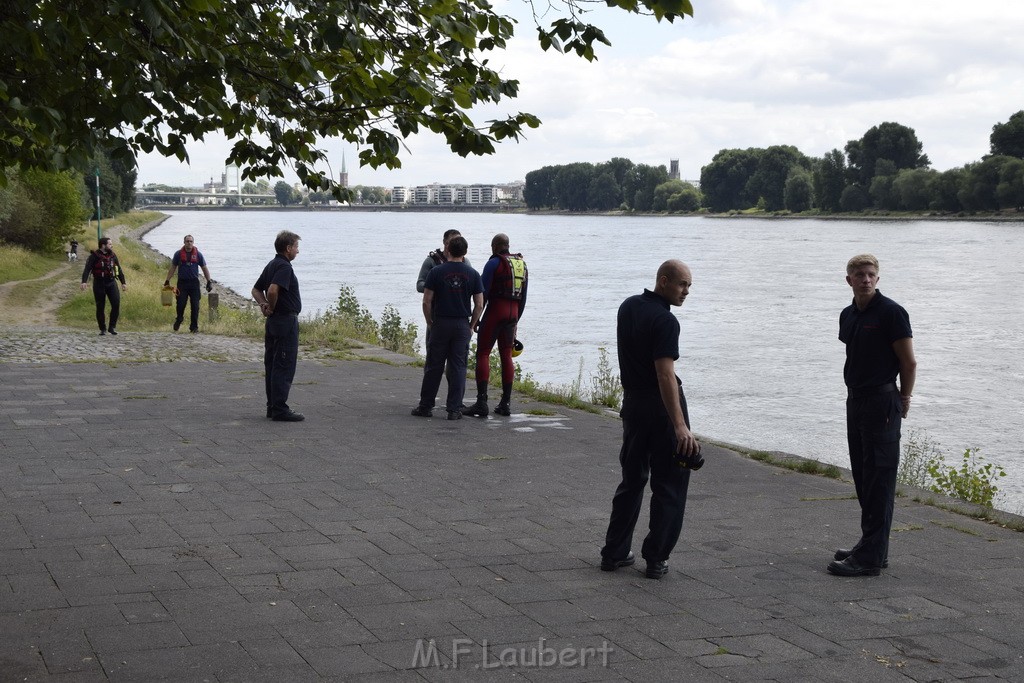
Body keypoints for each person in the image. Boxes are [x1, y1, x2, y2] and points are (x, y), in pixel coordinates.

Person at [600, 260, 700, 580]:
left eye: (689, 287)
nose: (686, 292)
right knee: (670, 484)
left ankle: (614, 552)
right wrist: (680, 425)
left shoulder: (628, 306)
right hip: (662, 409)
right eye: (682, 285)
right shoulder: (666, 321)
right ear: (663, 281)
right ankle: (656, 558)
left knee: (632, 479)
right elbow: (664, 373)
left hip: (633, 406)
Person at [828, 254, 916, 577]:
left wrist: (904, 397)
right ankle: (874, 546)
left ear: (878, 279)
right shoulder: (848, 315)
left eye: (870, 274)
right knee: (864, 476)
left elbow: (909, 363)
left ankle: (869, 559)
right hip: (856, 402)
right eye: (859, 275)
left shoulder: (892, 313)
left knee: (879, 477)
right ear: (848, 280)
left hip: (882, 403)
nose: (865, 279)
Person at [411, 236, 484, 420]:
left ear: (448, 250)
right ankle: (454, 409)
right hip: (461, 324)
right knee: (459, 366)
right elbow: (479, 304)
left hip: (441, 322)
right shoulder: (473, 274)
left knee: (434, 365)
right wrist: (471, 325)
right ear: (465, 253)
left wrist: (430, 322)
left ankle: (426, 406)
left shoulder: (436, 272)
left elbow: (426, 301)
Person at [462, 233, 527, 417]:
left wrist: (476, 319)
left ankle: (482, 403)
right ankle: (505, 403)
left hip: (495, 312)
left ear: (495, 246)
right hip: (513, 313)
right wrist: (515, 323)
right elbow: (523, 297)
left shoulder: (493, 263)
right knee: (506, 356)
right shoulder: (522, 264)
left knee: (483, 353)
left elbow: (483, 294)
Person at [251, 231, 305, 422]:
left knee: (273, 364)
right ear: (288, 248)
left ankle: (272, 406)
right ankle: (280, 409)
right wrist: (270, 306)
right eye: (296, 247)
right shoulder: (284, 267)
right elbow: (273, 289)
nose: (298, 251)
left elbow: (256, 289)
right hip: (285, 321)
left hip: (274, 323)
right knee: (284, 363)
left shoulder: (271, 264)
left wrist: (263, 304)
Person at [164, 234, 213, 333]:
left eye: (191, 241)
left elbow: (204, 268)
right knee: (181, 304)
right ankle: (179, 319)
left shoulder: (198, 254)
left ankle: (194, 327)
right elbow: (173, 267)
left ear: (193, 243)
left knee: (195, 305)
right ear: (184, 242)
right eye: (187, 241)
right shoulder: (178, 254)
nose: (189, 243)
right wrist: (167, 280)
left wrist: (209, 281)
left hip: (194, 283)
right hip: (182, 283)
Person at [80, 237, 127, 335]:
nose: (111, 246)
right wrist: (84, 282)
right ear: (103, 245)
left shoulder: (113, 255)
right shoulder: (94, 256)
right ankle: (103, 329)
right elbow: (87, 269)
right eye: (110, 244)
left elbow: (119, 269)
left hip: (111, 282)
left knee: (116, 304)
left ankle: (112, 327)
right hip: (99, 283)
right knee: (100, 306)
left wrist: (123, 283)